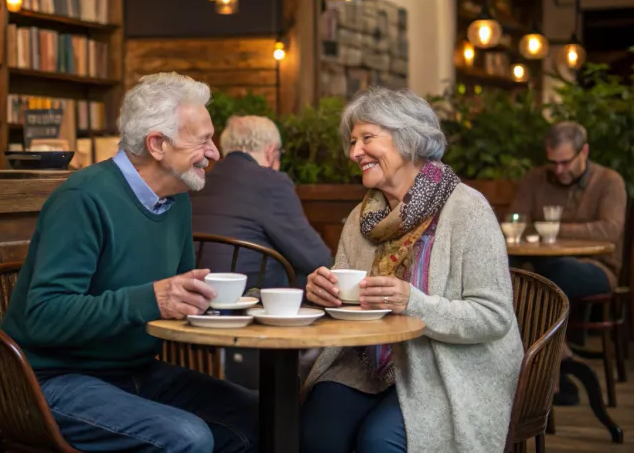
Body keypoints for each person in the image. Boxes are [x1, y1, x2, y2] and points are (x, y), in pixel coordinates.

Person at [1, 73, 259, 453]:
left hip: (136, 371)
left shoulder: (177, 198)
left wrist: (227, 304)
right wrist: (151, 299)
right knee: (187, 438)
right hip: (53, 379)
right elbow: (43, 314)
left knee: (257, 416)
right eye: (203, 140)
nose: (215, 152)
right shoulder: (82, 198)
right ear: (157, 144)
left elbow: (176, 299)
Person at [301, 87, 523, 453]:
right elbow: (346, 298)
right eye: (353, 141)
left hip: (447, 366)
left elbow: (494, 317)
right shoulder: (363, 216)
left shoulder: (467, 210)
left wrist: (413, 303)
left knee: (378, 442)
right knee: (314, 433)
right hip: (366, 364)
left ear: (408, 140)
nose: (355, 152)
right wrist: (324, 295)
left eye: (367, 138)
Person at [191, 115, 332, 289]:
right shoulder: (272, 182)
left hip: (195, 294)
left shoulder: (197, 181)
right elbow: (317, 258)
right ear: (271, 152)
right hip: (253, 300)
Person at [509, 121, 627, 298]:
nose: (558, 170)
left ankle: (540, 325)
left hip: (596, 265)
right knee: (503, 264)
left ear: (584, 152)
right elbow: (515, 220)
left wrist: (552, 230)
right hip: (537, 262)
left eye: (565, 162)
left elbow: (610, 230)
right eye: (553, 162)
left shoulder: (609, 181)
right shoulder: (534, 179)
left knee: (560, 272)